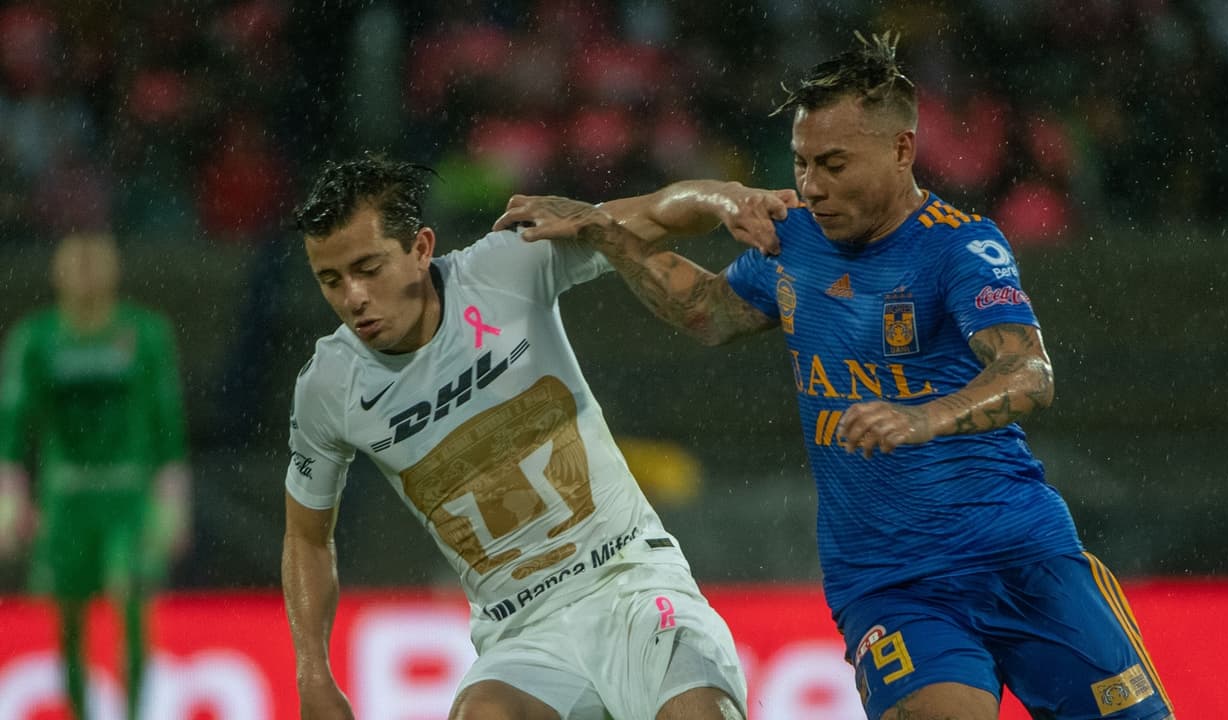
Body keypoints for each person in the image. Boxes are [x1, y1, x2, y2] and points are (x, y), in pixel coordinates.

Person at [494, 32, 1174, 720]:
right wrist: (605, 234)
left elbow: (1029, 372)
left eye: (834, 163)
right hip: (892, 583)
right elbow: (709, 312)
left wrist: (923, 417)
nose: (812, 185)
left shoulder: (960, 247)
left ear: (902, 150)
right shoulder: (794, 241)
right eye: (801, 162)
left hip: (1021, 555)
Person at [282, 157, 747, 720]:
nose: (353, 297)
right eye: (331, 280)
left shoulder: (503, 268)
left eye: (368, 268)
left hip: (633, 583)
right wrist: (313, 673)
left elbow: (651, 214)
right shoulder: (328, 387)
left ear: (421, 248)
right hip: (523, 634)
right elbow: (306, 537)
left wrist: (729, 197)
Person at [0, 232, 192, 720]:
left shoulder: (145, 333)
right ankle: (80, 712)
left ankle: (134, 712)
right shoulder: (36, 339)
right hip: (66, 501)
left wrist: (173, 502)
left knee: (133, 604)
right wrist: (9, 496)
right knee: (68, 619)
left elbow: (168, 424)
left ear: (114, 272)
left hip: (128, 498)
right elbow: (12, 427)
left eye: (95, 264)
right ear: (57, 274)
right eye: (76, 265)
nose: (86, 275)